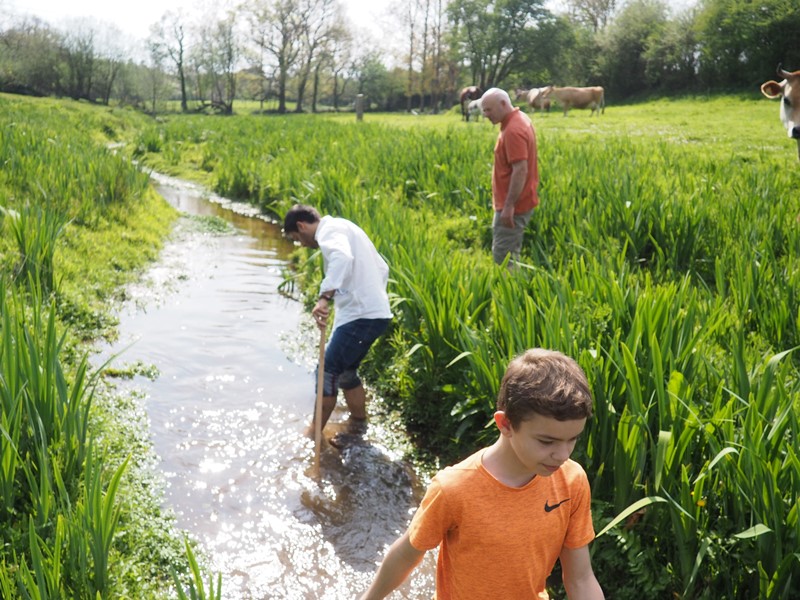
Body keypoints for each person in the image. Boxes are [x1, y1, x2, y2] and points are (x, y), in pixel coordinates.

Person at [359, 348, 605, 600]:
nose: (563, 454)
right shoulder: (454, 489)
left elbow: (580, 578)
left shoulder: (572, 481)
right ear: (505, 424)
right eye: (547, 441)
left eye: (572, 439)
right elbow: (406, 554)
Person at [282, 204, 392, 439]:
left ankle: (313, 433)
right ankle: (358, 425)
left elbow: (342, 258)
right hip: (372, 312)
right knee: (346, 373)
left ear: (301, 226)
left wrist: (324, 298)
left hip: (362, 315)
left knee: (327, 371)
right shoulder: (344, 227)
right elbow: (383, 268)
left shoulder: (329, 232)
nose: (301, 244)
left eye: (296, 238)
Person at [481, 87, 540, 266]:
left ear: (503, 104)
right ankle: (514, 288)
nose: (485, 114)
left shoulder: (513, 130)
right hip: (515, 202)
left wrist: (508, 207)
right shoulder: (518, 119)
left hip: (514, 206)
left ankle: (511, 291)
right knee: (509, 253)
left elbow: (520, 170)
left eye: (488, 109)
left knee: (504, 257)